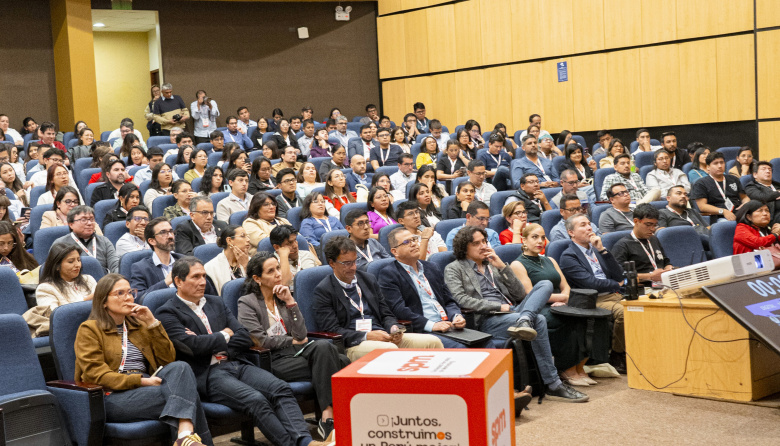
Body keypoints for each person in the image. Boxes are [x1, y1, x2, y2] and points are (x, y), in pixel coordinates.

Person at [158, 257, 333, 446]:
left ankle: (305, 441)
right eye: (196, 277)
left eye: (204, 276)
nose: (203, 282)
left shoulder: (215, 302)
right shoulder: (168, 312)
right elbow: (192, 347)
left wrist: (209, 341)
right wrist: (224, 335)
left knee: (280, 389)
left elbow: (243, 337)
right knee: (256, 400)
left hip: (236, 363)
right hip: (208, 374)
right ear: (178, 281)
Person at [444, 226, 587, 401]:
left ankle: (525, 319)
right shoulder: (454, 268)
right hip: (488, 318)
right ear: (464, 247)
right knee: (540, 319)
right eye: (476, 243)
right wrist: (498, 307)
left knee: (545, 285)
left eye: (484, 241)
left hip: (515, 310)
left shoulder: (493, 264)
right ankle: (553, 384)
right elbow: (462, 299)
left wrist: (503, 267)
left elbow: (519, 294)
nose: (483, 246)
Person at [75, 274, 212, 446]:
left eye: (130, 292)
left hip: (147, 387)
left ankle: (184, 436)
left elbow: (167, 360)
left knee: (181, 367)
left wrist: (152, 322)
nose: (128, 297)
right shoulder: (89, 329)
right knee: (186, 395)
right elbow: (96, 375)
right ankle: (186, 437)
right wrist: (141, 381)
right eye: (120, 293)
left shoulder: (138, 325)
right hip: (112, 396)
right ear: (103, 301)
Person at [237, 253, 346, 440]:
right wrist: (291, 341)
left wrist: (290, 302)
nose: (278, 274)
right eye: (271, 271)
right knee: (340, 360)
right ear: (257, 278)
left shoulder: (282, 296)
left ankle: (328, 418)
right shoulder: (247, 303)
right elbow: (259, 340)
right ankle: (332, 419)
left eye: (278, 268)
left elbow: (302, 334)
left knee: (329, 352)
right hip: (271, 360)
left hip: (296, 354)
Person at [313, 236, 443, 361]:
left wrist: (393, 328)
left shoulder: (367, 280)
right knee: (390, 350)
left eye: (355, 261)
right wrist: (367, 336)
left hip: (383, 335)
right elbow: (332, 330)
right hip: (354, 344)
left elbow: (386, 313)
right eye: (347, 263)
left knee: (432, 342)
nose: (353, 267)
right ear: (332, 263)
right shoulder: (324, 290)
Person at [510, 223, 605, 386]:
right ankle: (566, 368)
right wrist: (559, 299)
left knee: (592, 317)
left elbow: (566, 286)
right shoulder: (517, 264)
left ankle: (579, 367)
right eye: (534, 237)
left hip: (562, 302)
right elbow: (531, 294)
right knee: (568, 320)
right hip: (539, 307)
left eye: (542, 237)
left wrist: (564, 299)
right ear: (524, 240)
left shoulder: (550, 260)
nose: (540, 241)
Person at [379, 227, 471, 348]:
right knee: (462, 349)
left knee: (485, 343)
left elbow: (448, 300)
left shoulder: (431, 267)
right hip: (424, 330)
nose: (414, 244)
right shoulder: (389, 274)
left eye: (414, 239)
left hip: (449, 325)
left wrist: (456, 315)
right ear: (395, 251)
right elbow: (399, 310)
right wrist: (431, 325)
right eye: (407, 242)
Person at [559, 214, 626, 373]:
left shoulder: (597, 250)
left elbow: (619, 274)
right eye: (583, 225)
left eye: (589, 224)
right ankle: (617, 355)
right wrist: (616, 284)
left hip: (615, 294)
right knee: (625, 313)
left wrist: (602, 250)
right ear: (571, 232)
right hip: (594, 299)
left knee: (643, 306)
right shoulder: (568, 256)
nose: (589, 228)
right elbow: (590, 283)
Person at [612, 204, 673, 287]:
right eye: (648, 225)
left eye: (655, 225)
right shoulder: (622, 246)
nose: (652, 229)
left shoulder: (654, 239)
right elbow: (619, 277)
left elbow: (666, 261)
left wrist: (668, 268)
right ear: (636, 221)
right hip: (642, 289)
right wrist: (650, 276)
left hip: (664, 285)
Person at [52, 206, 119, 273]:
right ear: (71, 224)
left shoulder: (104, 241)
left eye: (92, 219)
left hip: (102, 281)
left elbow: (115, 266)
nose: (89, 223)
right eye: (83, 220)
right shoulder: (60, 243)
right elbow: (53, 270)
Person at [36, 243, 97, 310]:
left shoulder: (88, 279)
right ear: (57, 266)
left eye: (79, 260)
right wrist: (86, 299)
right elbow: (54, 316)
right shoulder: (45, 289)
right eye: (71, 262)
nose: (78, 265)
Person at [691, 151, 748, 222]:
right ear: (708, 167)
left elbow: (744, 197)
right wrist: (723, 211)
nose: (720, 166)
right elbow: (702, 206)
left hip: (738, 212)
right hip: (718, 216)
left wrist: (746, 204)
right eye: (715, 163)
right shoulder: (701, 183)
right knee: (727, 224)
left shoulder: (733, 179)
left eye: (722, 162)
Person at [268, 225, 319, 293]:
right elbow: (284, 285)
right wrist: (284, 257)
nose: (295, 246)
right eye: (289, 243)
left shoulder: (307, 255)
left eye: (295, 240)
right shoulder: (272, 263)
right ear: (277, 247)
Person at [204, 224, 250, 295]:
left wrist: (246, 265)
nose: (248, 240)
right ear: (229, 240)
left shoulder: (249, 260)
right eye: (243, 236)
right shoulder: (211, 268)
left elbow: (257, 289)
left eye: (247, 236)